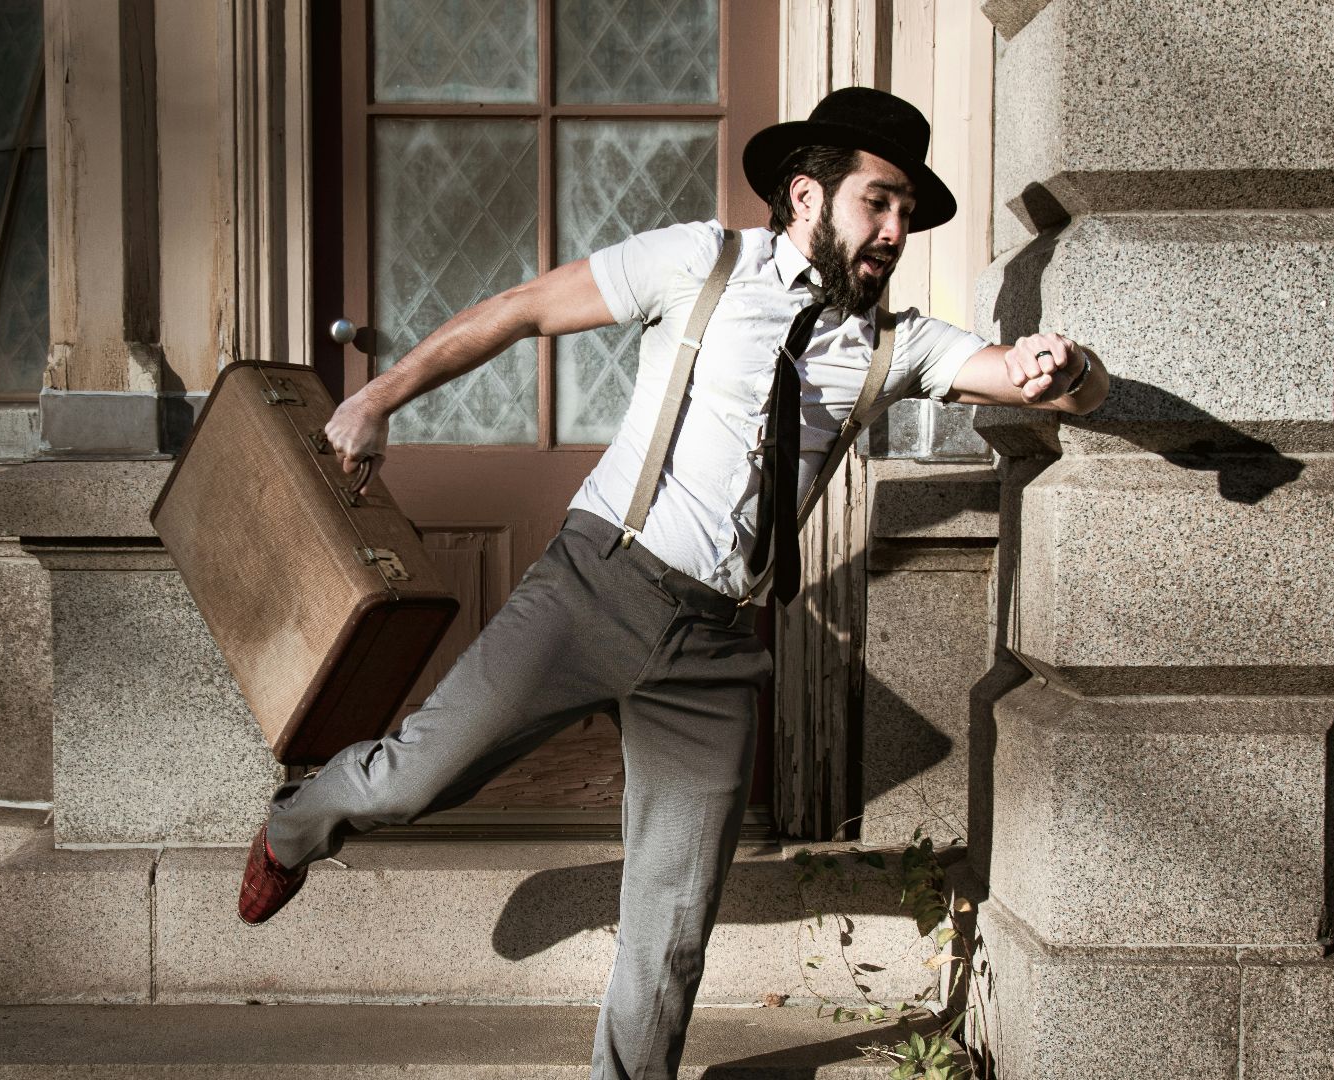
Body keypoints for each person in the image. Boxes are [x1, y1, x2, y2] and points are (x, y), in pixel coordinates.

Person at [237, 86, 1108, 1080]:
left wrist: (1069, 368)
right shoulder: (701, 261)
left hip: (718, 648)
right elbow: (519, 310)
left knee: (673, 919)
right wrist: (381, 397)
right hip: (596, 583)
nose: (895, 230)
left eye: (909, 212)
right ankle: (295, 823)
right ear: (809, 197)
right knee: (414, 780)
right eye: (880, 202)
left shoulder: (889, 345)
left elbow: (1026, 377)